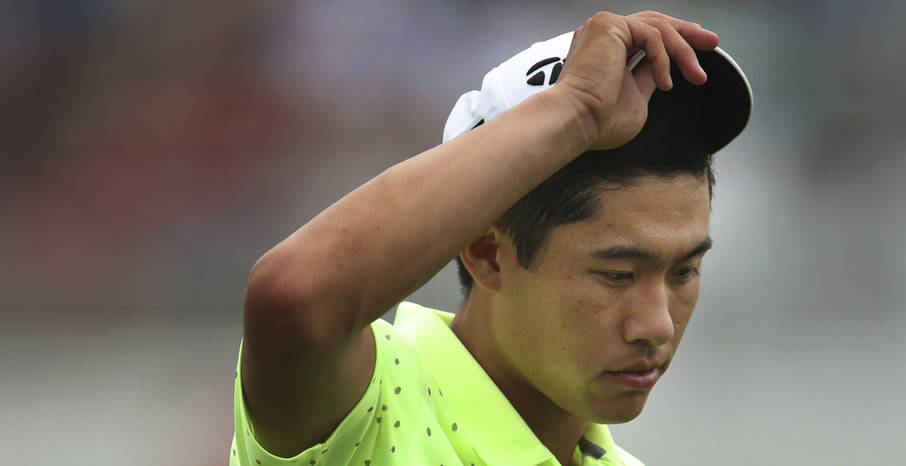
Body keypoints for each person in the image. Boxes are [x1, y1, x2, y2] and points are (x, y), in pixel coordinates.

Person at [232, 10, 752, 466]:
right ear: (486, 251)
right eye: (617, 274)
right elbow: (293, 301)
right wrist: (575, 110)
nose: (657, 326)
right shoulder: (372, 410)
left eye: (684, 271)